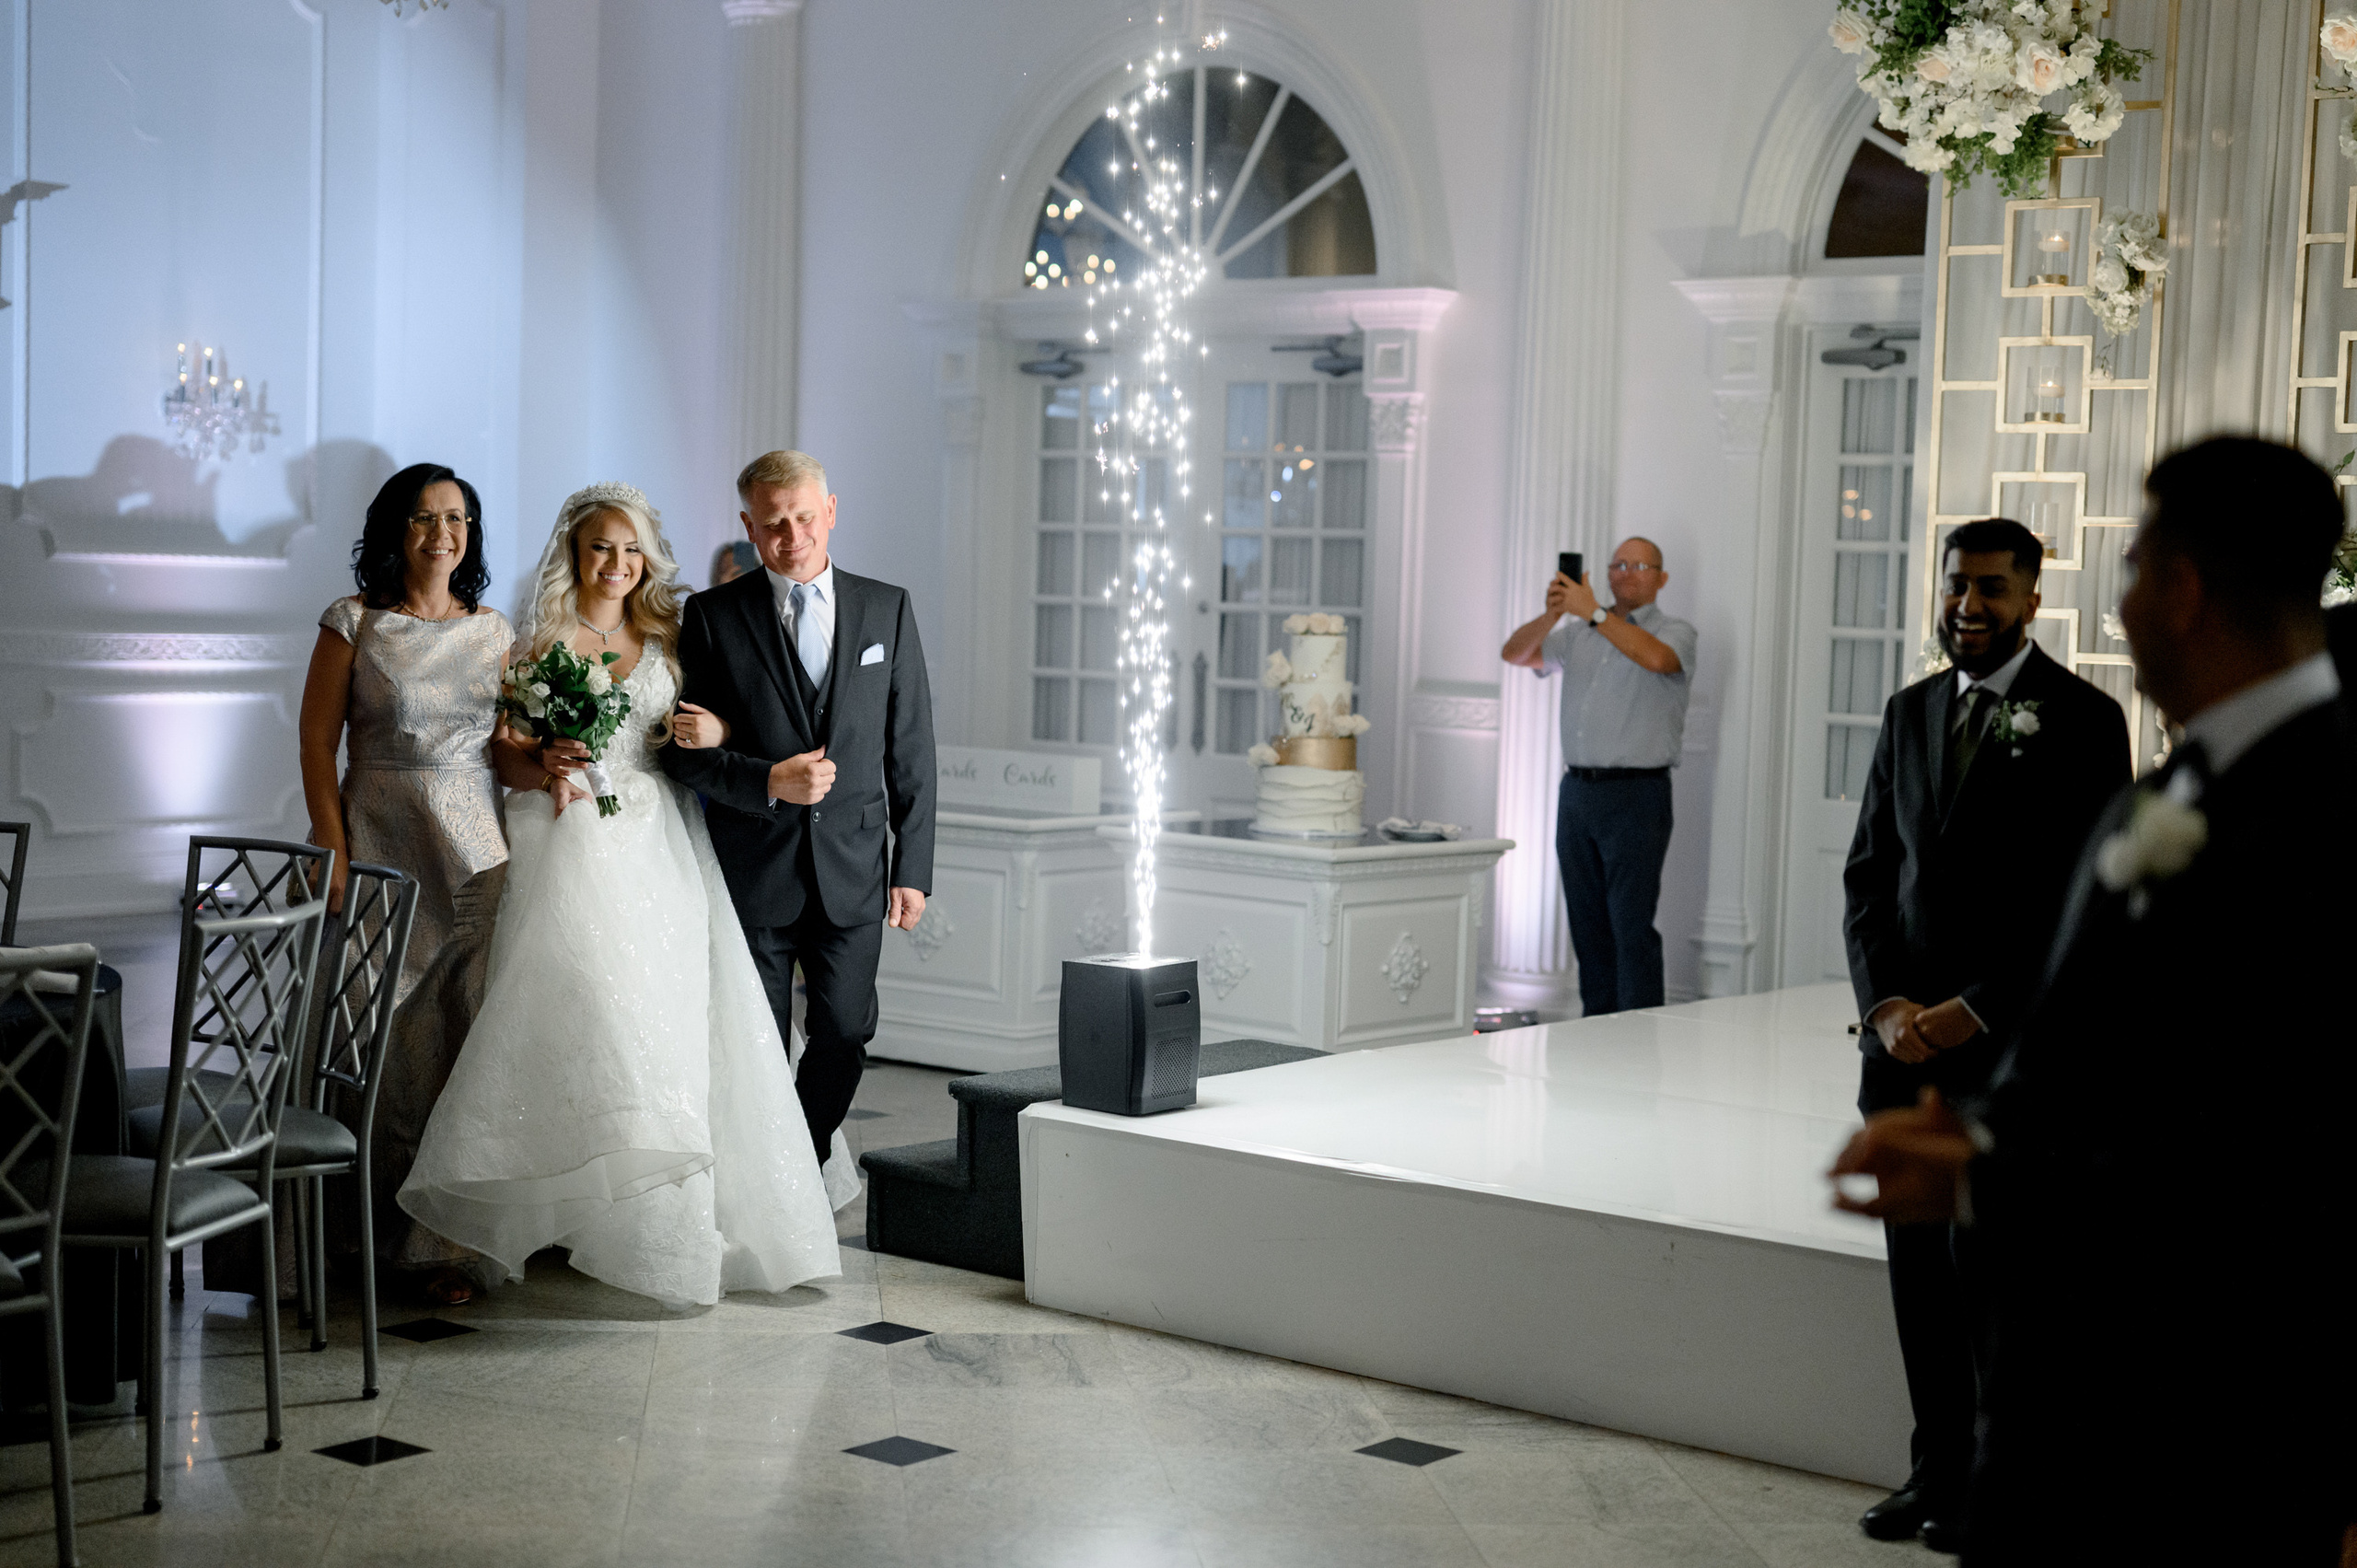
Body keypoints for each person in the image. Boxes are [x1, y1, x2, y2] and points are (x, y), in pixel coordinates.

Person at [1830, 437, 2357, 1565]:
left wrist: (1988, 1169)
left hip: (2209, 1412)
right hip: (2082, 1405)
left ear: (2179, 589)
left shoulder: (2326, 806)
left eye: (2128, 571)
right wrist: (1977, 1124)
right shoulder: (2181, 786)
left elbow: (2277, 1133)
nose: (2116, 608)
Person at [397, 482, 842, 1307]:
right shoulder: (538, 642)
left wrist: (718, 734)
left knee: (670, 1017)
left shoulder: (674, 630)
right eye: (603, 546)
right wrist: (548, 765)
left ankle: (657, 1217)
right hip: (573, 839)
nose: (618, 563)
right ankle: (577, 1197)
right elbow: (506, 755)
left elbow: (727, 722)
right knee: (597, 1010)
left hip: (664, 838)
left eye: (631, 548)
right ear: (576, 551)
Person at [1840, 517, 2129, 1551]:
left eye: (1992, 589)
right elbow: (1869, 874)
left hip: (2006, 1057)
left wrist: (1974, 1006)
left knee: (1998, 1290)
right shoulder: (1908, 709)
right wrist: (1885, 1006)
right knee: (1917, 1281)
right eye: (1959, 585)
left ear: (2032, 599)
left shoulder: (2086, 720)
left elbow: (2079, 899)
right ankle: (1934, 1475)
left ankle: (2002, 1491)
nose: (1969, 605)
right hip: (1900, 1050)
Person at [298, 463, 538, 1305]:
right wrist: (330, 844)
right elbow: (316, 740)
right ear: (394, 529)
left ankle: (442, 1243)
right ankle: (357, 1235)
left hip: (478, 860)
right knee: (384, 1043)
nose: (443, 534)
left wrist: (549, 764)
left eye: (458, 519)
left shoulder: (493, 630)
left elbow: (504, 749)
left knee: (461, 1042)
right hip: (380, 848)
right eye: (425, 518)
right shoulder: (354, 622)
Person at [658, 450, 935, 1171]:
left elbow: (912, 752)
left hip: (854, 866)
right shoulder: (713, 616)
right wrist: (768, 781)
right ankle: (766, 1184)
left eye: (805, 517)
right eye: (774, 523)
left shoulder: (887, 607)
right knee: (756, 1040)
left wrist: (914, 868)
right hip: (753, 867)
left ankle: (795, 1165)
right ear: (750, 525)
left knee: (845, 1031)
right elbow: (683, 754)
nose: (793, 536)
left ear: (831, 510)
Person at [1500, 536, 1697, 1015]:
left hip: (1637, 795)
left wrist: (1596, 615)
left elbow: (1657, 660)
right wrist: (1555, 615)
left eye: (1638, 565)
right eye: (1618, 565)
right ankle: (1597, 1034)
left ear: (1661, 578)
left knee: (1630, 927)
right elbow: (1516, 654)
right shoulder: (1580, 633)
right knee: (1587, 926)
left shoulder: (1676, 631)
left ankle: (1638, 1037)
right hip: (1578, 794)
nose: (1625, 573)